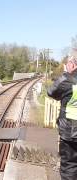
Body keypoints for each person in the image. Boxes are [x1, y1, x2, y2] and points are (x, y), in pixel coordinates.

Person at [47, 48, 77, 180]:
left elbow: (51, 92)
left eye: (68, 62)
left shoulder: (67, 80)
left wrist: (66, 74)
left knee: (69, 168)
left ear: (73, 64)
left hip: (71, 132)